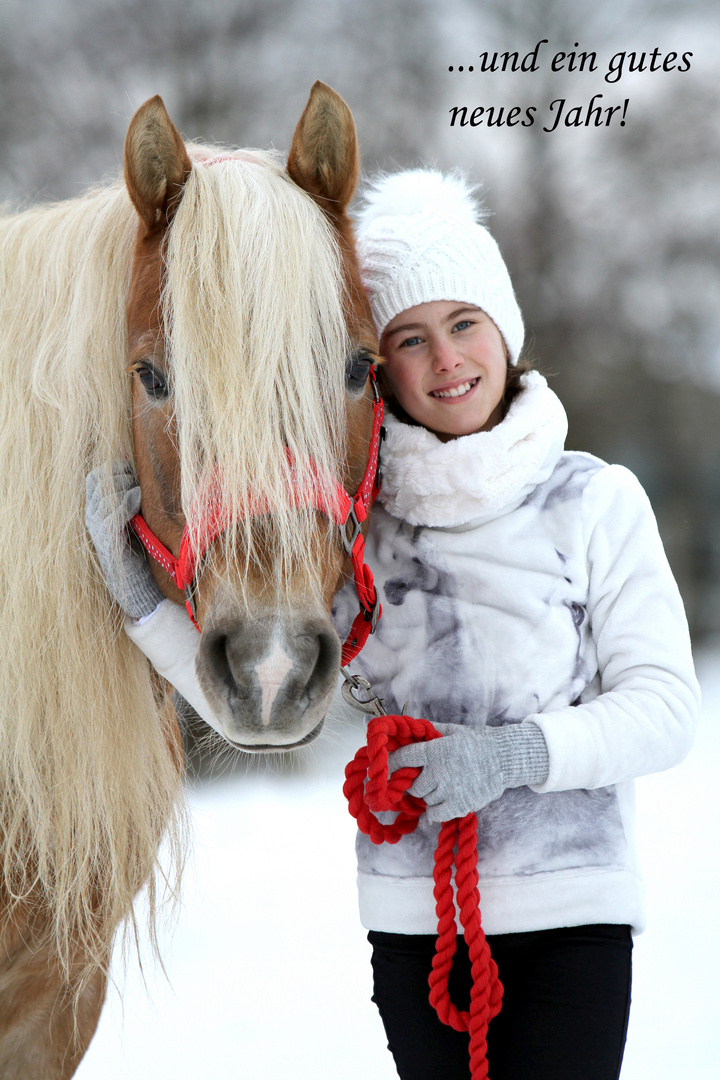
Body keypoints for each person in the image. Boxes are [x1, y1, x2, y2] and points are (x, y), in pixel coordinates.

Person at [86, 169, 700, 1080]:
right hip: (414, 926)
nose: (446, 358)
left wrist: (513, 755)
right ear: (380, 370)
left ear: (503, 333)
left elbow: (665, 711)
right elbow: (263, 702)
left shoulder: (595, 500)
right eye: (410, 338)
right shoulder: (359, 536)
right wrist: (142, 602)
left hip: (574, 918)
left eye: (464, 324)